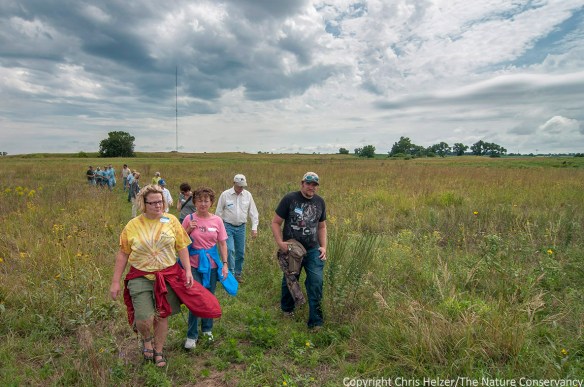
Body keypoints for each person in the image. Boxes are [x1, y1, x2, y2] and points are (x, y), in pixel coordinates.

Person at [109, 184, 221, 367]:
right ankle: (147, 340)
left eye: (160, 202)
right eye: (152, 203)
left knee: (162, 315)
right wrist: (115, 282)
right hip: (140, 275)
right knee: (144, 317)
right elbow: (123, 253)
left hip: (167, 275)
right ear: (143, 204)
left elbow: (182, 245)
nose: (157, 206)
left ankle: (159, 350)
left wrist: (186, 270)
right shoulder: (133, 225)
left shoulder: (171, 221)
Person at [270, 172, 327, 330]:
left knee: (316, 282)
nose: (311, 187)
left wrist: (323, 247)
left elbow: (322, 227)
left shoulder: (320, 202)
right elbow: (275, 222)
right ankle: (287, 310)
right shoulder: (290, 199)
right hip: (293, 249)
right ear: (302, 183)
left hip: (313, 249)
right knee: (290, 278)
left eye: (314, 184)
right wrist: (281, 243)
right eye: (308, 183)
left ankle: (316, 322)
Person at [181, 187, 229, 349]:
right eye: (199, 200)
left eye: (206, 200)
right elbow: (179, 242)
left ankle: (207, 329)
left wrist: (225, 264)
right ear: (194, 202)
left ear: (211, 203)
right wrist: (188, 230)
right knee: (196, 298)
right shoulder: (189, 218)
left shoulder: (217, 221)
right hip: (193, 265)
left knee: (209, 296)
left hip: (212, 265)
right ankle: (191, 335)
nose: (203, 204)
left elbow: (222, 243)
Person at [215, 174, 259, 281]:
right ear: (234, 183)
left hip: (241, 227)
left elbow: (253, 212)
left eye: (243, 186)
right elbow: (218, 212)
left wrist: (254, 227)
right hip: (227, 226)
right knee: (230, 250)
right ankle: (230, 274)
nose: (241, 189)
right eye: (239, 186)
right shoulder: (225, 195)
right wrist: (217, 228)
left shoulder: (248, 195)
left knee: (240, 252)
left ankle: (238, 274)